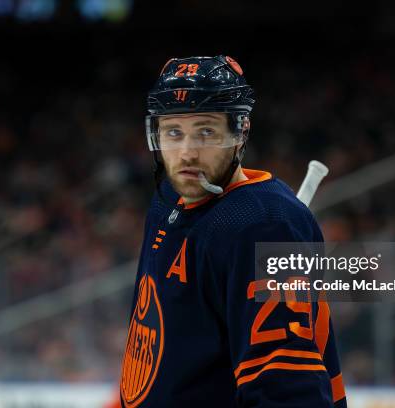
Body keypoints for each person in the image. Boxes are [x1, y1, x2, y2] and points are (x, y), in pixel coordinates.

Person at [118, 55, 346, 407]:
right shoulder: (168, 198)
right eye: (173, 132)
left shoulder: (267, 225)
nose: (187, 152)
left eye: (206, 131)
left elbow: (286, 385)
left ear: (240, 133)